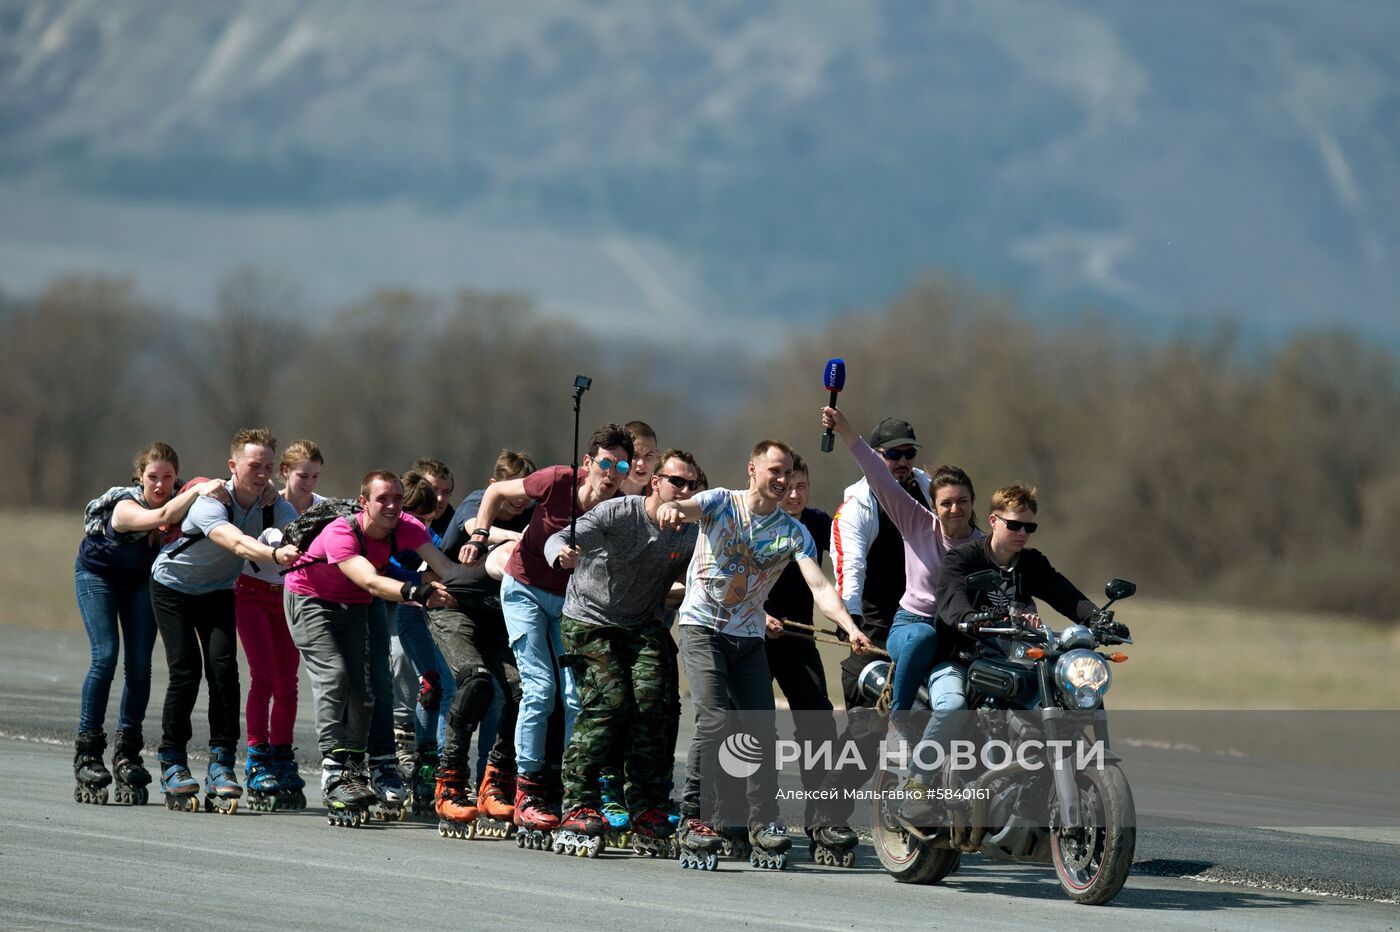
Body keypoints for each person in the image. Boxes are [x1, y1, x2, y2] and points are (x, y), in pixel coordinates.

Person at [657, 439, 871, 870]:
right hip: (703, 628)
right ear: (751, 469)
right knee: (715, 719)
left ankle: (763, 822)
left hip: (747, 637)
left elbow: (820, 587)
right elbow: (690, 507)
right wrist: (674, 510)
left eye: (788, 472)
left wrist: (850, 627)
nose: (782, 480)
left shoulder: (793, 532)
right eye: (774, 470)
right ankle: (696, 819)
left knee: (761, 730)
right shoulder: (721, 503)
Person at [462, 424, 632, 845]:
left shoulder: (618, 510)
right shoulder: (556, 479)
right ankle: (527, 790)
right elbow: (496, 492)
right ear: (589, 463)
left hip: (569, 602)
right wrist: (481, 534)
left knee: (574, 696)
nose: (612, 473)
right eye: (606, 463)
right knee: (540, 689)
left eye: (621, 465)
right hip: (524, 589)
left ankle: (574, 791)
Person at [542, 449, 702, 857]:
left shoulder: (691, 531)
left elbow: (717, 574)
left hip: (642, 623)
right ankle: (579, 799)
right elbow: (560, 538)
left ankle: (648, 804)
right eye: (675, 482)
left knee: (656, 703)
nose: (683, 491)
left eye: (691, 485)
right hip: (589, 619)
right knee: (609, 703)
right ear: (655, 482)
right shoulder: (620, 514)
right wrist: (561, 555)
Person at [904, 483, 1097, 822]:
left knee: (1062, 696)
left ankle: (1035, 785)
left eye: (1029, 527)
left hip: (1008, 660)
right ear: (993, 521)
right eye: (1014, 525)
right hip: (958, 658)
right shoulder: (964, 557)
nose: (1022, 533)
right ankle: (917, 783)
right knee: (952, 707)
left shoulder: (1031, 563)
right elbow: (951, 599)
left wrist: (1097, 618)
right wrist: (968, 619)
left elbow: (1064, 593)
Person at [281, 469, 457, 826]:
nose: (391, 507)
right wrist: (415, 591)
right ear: (364, 503)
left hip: (358, 602)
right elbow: (370, 579)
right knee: (335, 674)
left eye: (396, 499)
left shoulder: (407, 526)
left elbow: (445, 569)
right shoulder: (342, 532)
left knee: (371, 686)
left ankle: (366, 765)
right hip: (312, 598)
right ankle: (334, 768)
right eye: (382, 499)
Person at [148, 428, 301, 813]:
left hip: (218, 589)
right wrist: (274, 554)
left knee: (225, 670)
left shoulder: (274, 505)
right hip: (174, 586)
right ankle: (173, 760)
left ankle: (221, 761)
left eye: (269, 466)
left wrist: (287, 542)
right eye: (254, 466)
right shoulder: (211, 501)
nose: (263, 474)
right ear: (233, 466)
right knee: (185, 671)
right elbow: (233, 542)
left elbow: (292, 531)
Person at [73, 444, 222, 806]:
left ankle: (128, 750)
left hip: (140, 581)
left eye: (168, 477)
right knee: (105, 656)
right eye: (153, 477)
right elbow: (163, 516)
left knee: (140, 666)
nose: (160, 484)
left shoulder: (183, 498)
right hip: (98, 576)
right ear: (140, 476)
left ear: (176, 476)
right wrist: (199, 488)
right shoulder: (126, 505)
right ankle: (88, 750)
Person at [821, 406, 981, 722]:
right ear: (878, 455)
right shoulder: (858, 507)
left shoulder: (931, 493)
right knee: (865, 736)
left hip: (935, 629)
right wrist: (850, 620)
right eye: (894, 454)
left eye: (909, 453)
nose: (904, 462)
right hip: (876, 632)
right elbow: (850, 566)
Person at [428, 450, 536, 837]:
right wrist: (524, 537)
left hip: (499, 616)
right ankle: (450, 781)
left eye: (523, 501)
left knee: (525, 692)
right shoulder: (478, 501)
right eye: (510, 500)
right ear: (495, 489)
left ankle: (495, 781)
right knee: (475, 683)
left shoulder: (533, 511)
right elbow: (479, 524)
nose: (516, 507)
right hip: (454, 608)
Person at [756, 452, 848, 860]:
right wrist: (762, 617)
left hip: (798, 638)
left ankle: (822, 819)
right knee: (753, 728)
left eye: (802, 487)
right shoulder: (758, 521)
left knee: (818, 721)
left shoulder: (817, 523)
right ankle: (748, 818)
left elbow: (850, 559)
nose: (793, 495)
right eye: (788, 486)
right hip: (752, 636)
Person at [237, 439, 324, 811]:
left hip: (291, 595)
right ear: (285, 472)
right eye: (303, 475)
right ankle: (257, 757)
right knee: (264, 676)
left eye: (316, 476)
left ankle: (282, 754)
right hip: (252, 591)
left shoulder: (323, 508)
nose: (309, 483)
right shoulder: (268, 500)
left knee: (288, 681)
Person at [618, 421, 658, 497]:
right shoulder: (606, 490)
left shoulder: (658, 494)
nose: (641, 463)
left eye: (648, 455)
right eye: (635, 455)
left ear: (657, 456)